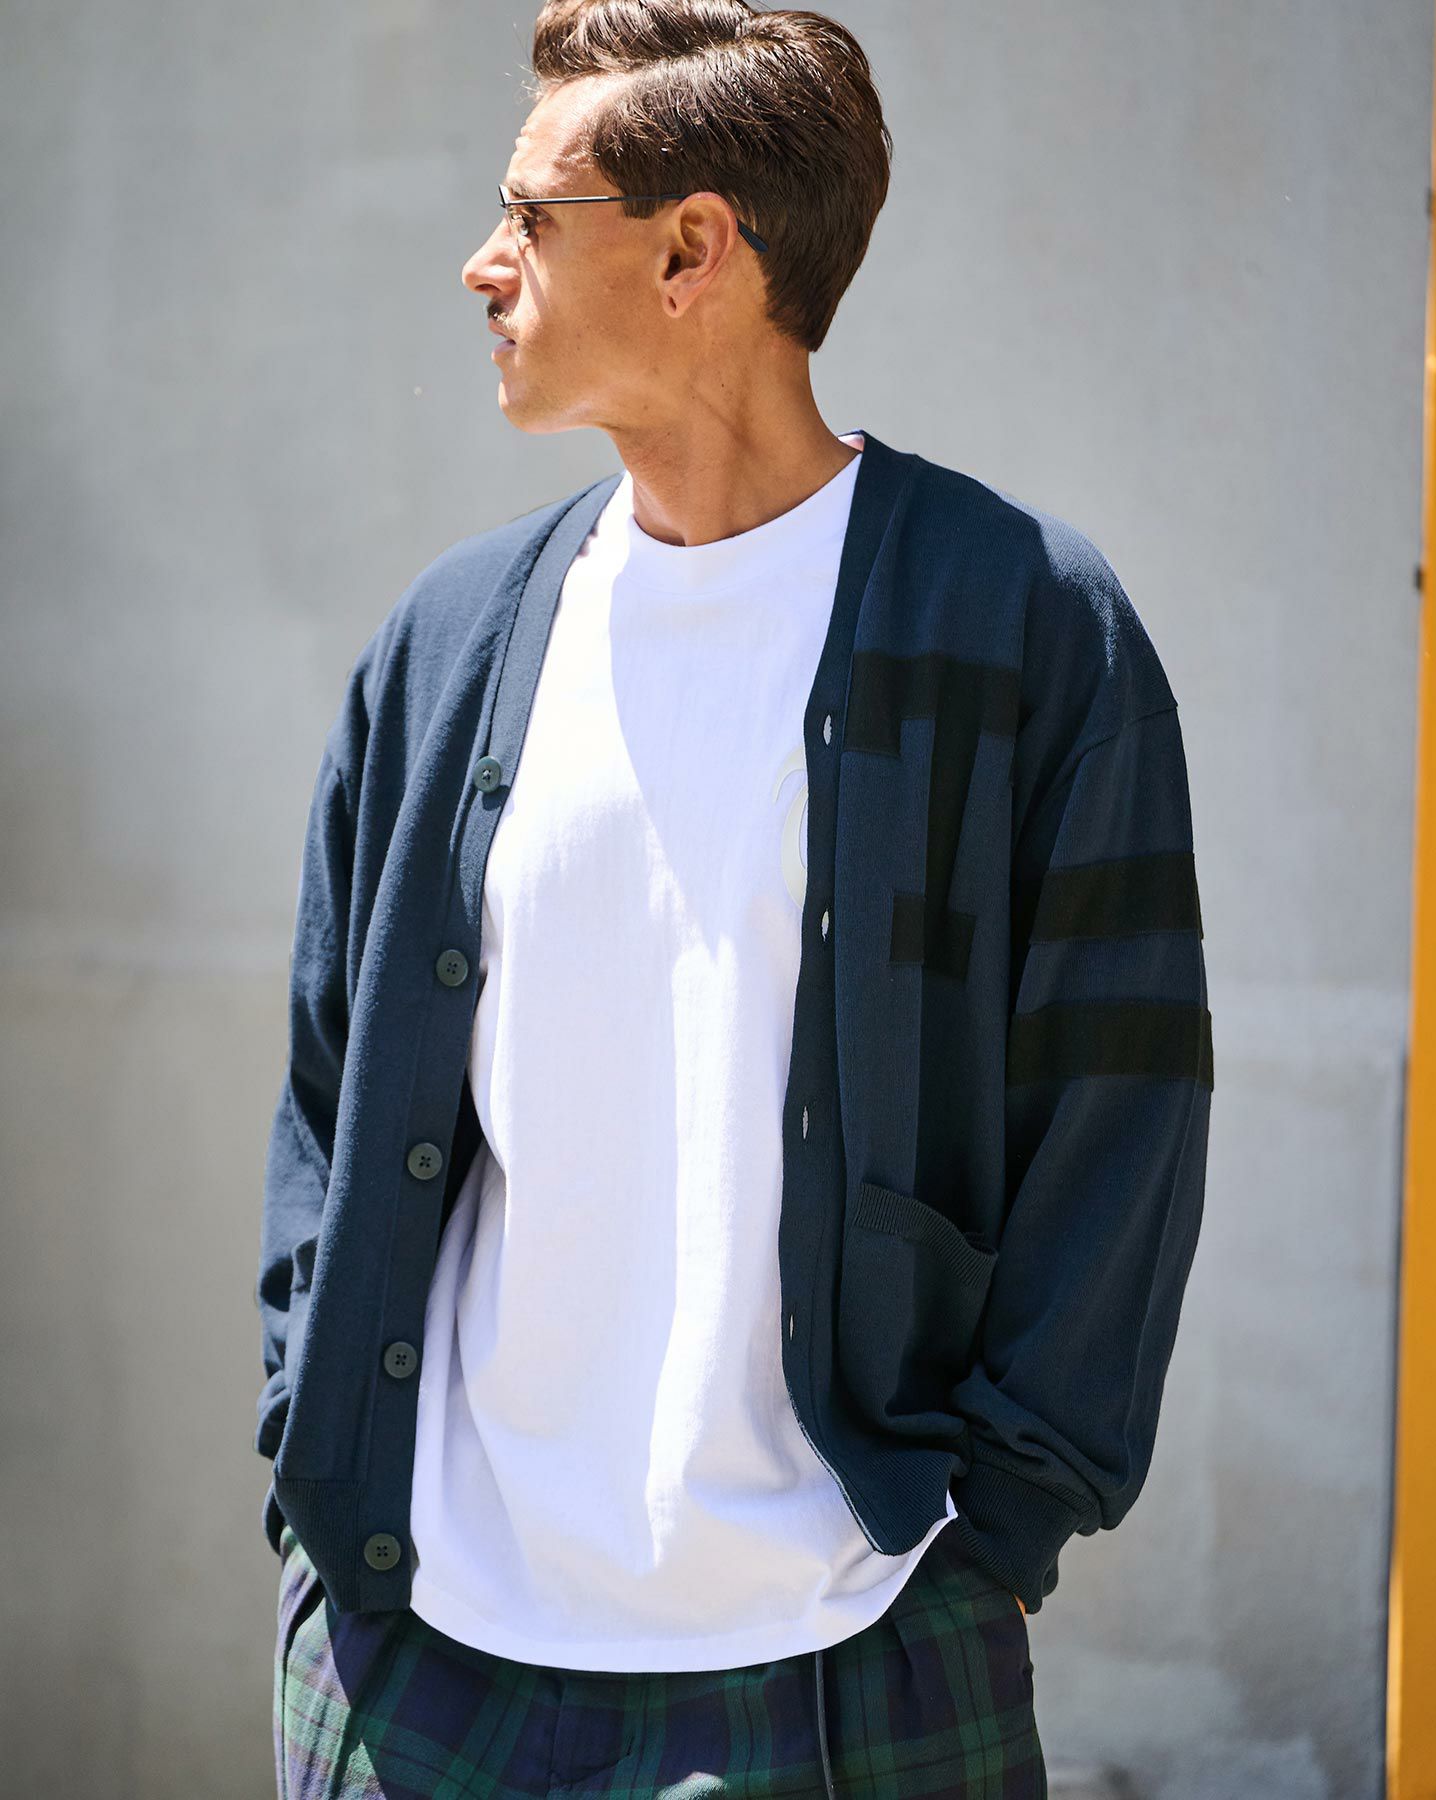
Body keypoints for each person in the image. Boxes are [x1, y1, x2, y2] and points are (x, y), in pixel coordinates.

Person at [258, 2, 1214, 1795]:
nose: (482, 264)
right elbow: (330, 1087)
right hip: (424, 1655)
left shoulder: (1017, 628)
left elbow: (1122, 1115)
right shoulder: (453, 641)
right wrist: (310, 1455)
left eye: (530, 215)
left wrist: (993, 1540)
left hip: (848, 1652)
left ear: (693, 249)